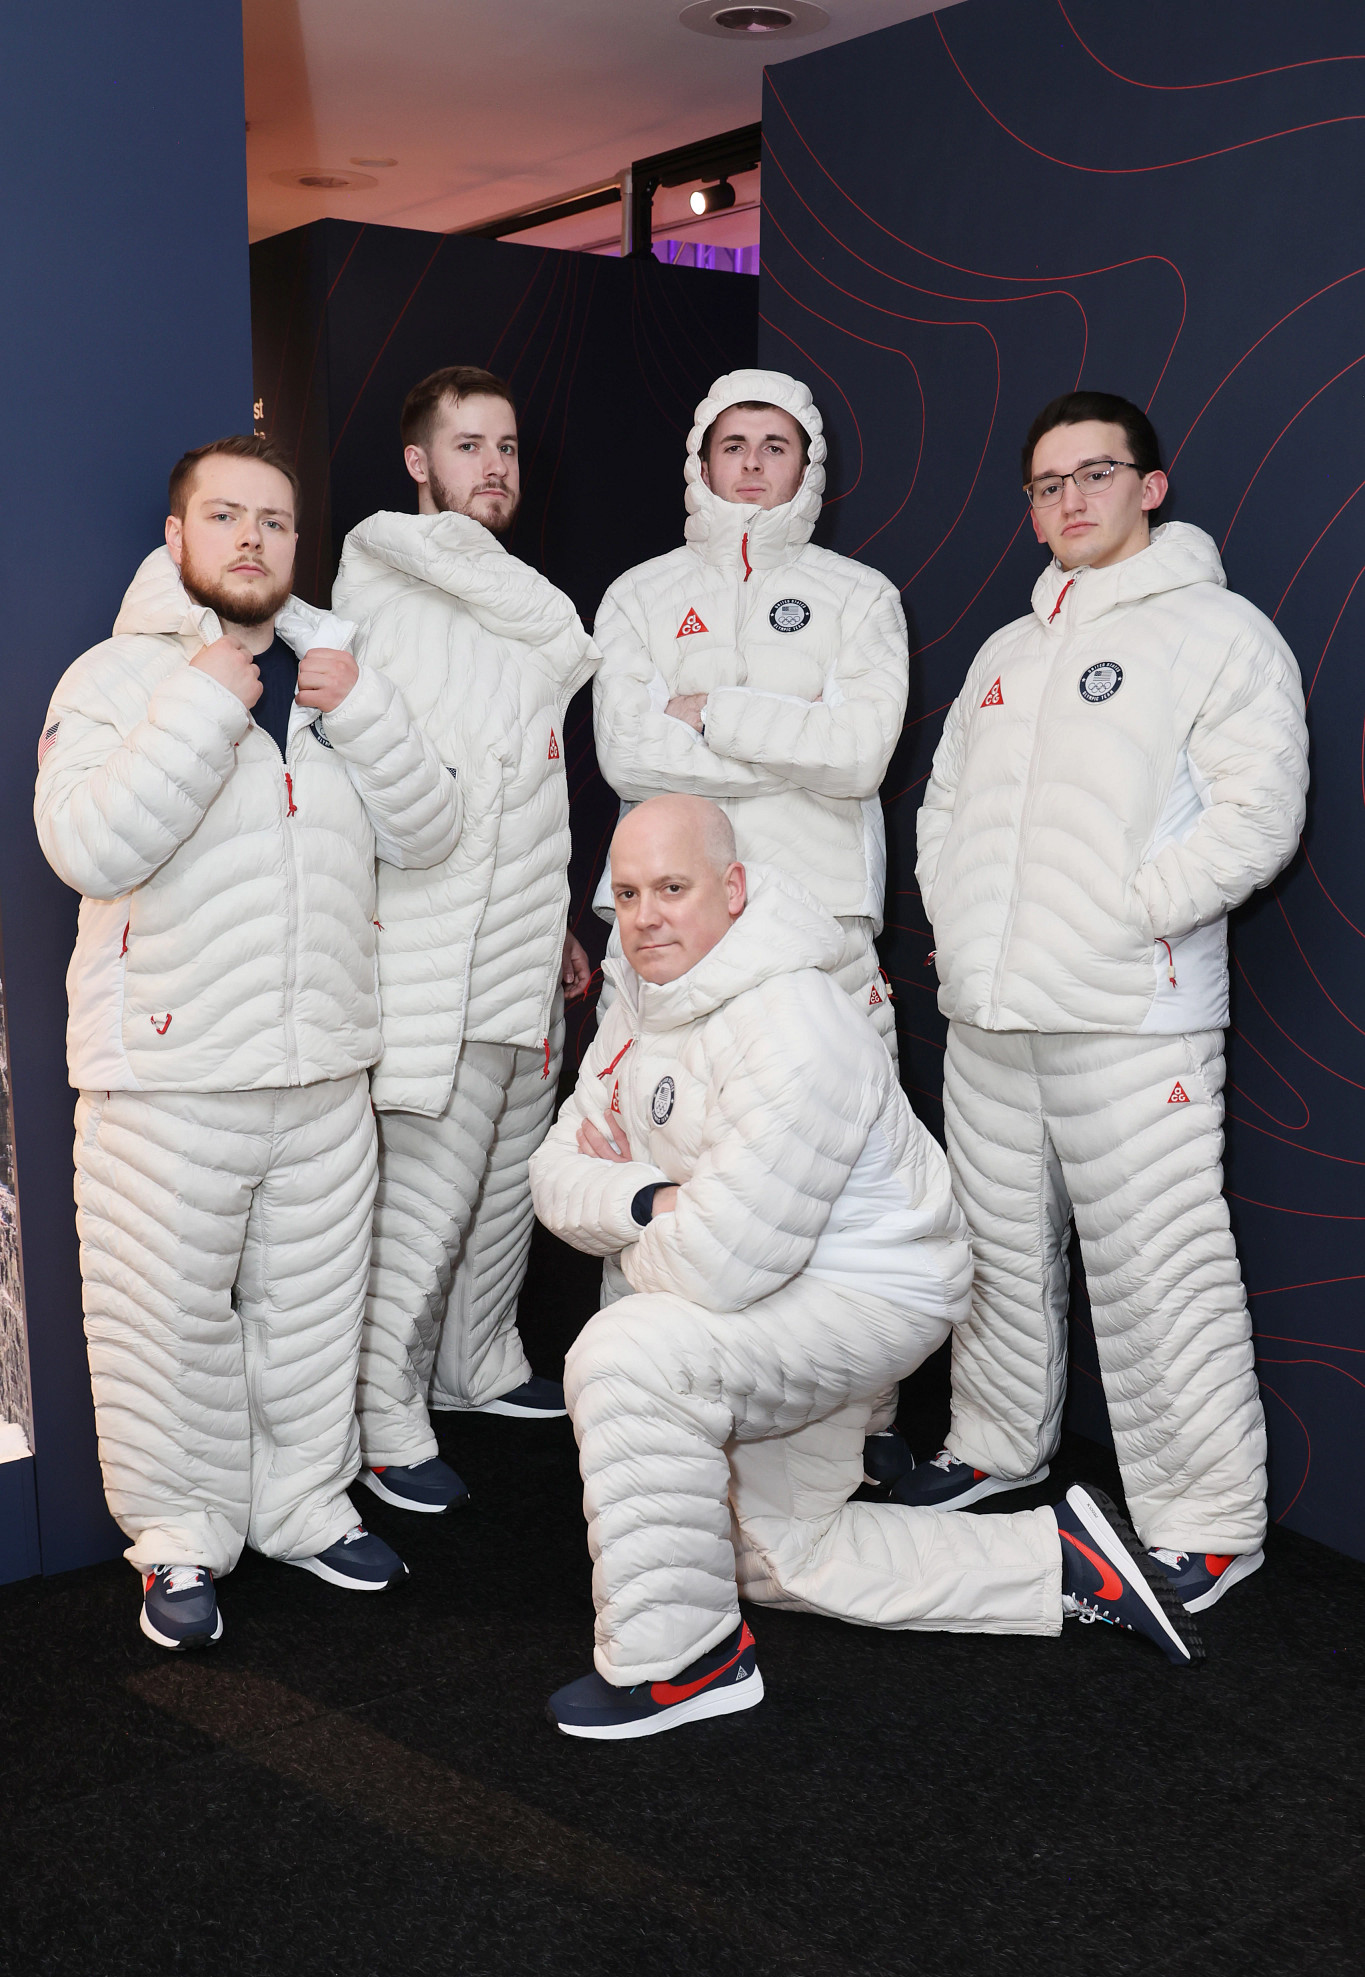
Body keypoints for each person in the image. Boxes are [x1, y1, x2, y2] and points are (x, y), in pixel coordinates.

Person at [528, 795, 1202, 1740]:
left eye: (671, 889)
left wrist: (643, 1196)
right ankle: (1057, 1560)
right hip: (768, 1285)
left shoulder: (795, 1021)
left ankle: (686, 1666)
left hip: (866, 1298)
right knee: (770, 1555)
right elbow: (553, 1173)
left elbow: (716, 1268)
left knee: (627, 1355)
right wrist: (650, 1200)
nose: (643, 917)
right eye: (628, 893)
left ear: (732, 890)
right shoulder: (641, 996)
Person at [34, 435, 460, 1649]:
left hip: (324, 1065)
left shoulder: (340, 669)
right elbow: (90, 848)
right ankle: (176, 1536)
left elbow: (430, 833)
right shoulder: (114, 679)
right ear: (178, 538)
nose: (253, 540)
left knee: (315, 1311)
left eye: (274, 520)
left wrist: (366, 713)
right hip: (164, 1075)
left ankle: (307, 1506)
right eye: (225, 517)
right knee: (163, 1323)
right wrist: (199, 705)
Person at [899, 391, 1309, 1615]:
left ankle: (1211, 1526)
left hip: (1136, 1019)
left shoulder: (1222, 634)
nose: (1070, 499)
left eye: (1094, 473)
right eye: (1047, 483)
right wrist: (965, 924)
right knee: (995, 1250)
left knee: (1163, 1271)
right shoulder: (1007, 652)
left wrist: (1125, 913)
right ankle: (994, 1442)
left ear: (1152, 484)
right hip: (991, 1019)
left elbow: (1258, 816)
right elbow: (940, 808)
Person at [591, 367, 913, 1489]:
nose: (754, 463)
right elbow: (628, 752)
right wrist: (795, 741)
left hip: (821, 932)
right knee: (658, 1157)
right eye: (734, 442)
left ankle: (854, 1432)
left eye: (777, 444)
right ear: (701, 457)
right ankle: (656, 1414)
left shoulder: (858, 594)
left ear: (806, 464)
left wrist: (714, 710)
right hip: (668, 936)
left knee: (833, 1182)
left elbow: (862, 750)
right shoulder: (638, 593)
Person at [330, 365, 598, 1515]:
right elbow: (416, 791)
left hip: (522, 944)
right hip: (440, 948)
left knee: (499, 1192)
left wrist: (558, 927)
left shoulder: (507, 591)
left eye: (508, 446)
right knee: (425, 1200)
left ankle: (475, 1362)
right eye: (470, 445)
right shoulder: (391, 587)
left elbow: (529, 783)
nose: (494, 466)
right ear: (419, 462)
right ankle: (385, 1415)